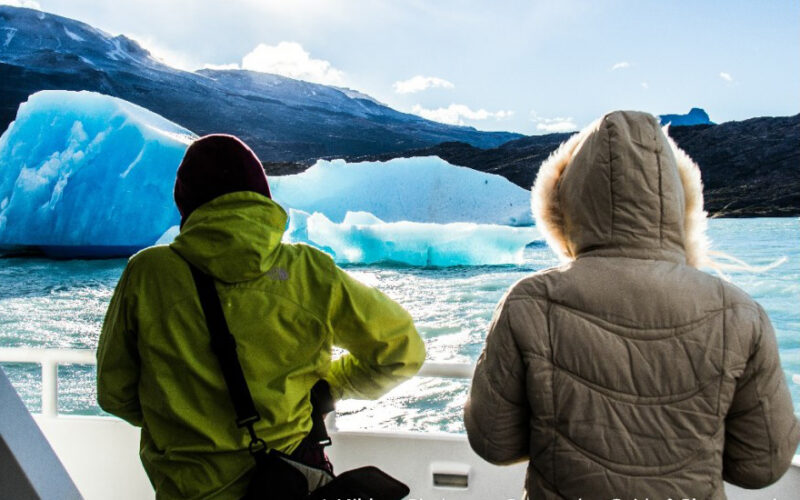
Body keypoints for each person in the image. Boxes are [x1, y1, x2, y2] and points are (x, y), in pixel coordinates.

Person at [464, 111, 799, 498]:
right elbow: (761, 466)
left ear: (562, 202)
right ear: (680, 202)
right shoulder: (738, 312)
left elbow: (494, 442)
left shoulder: (530, 301)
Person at [96, 134, 426, 499]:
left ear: (185, 202)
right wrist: (329, 388)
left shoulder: (148, 274)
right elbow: (401, 350)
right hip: (290, 482)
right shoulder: (309, 272)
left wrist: (183, 421)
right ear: (262, 196)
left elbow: (114, 393)